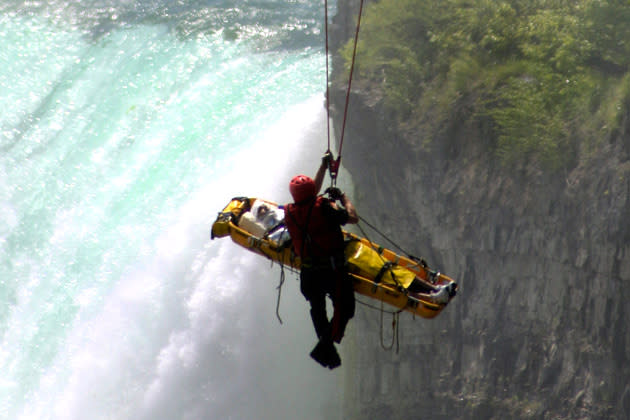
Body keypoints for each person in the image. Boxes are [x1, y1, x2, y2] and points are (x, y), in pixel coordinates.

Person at [284, 153, 358, 369]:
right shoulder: (325, 207)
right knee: (345, 308)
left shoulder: (290, 211)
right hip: (332, 271)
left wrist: (323, 167)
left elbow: (308, 197)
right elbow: (353, 217)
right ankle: (326, 345)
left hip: (308, 274)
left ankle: (328, 351)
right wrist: (343, 198)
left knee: (317, 310)